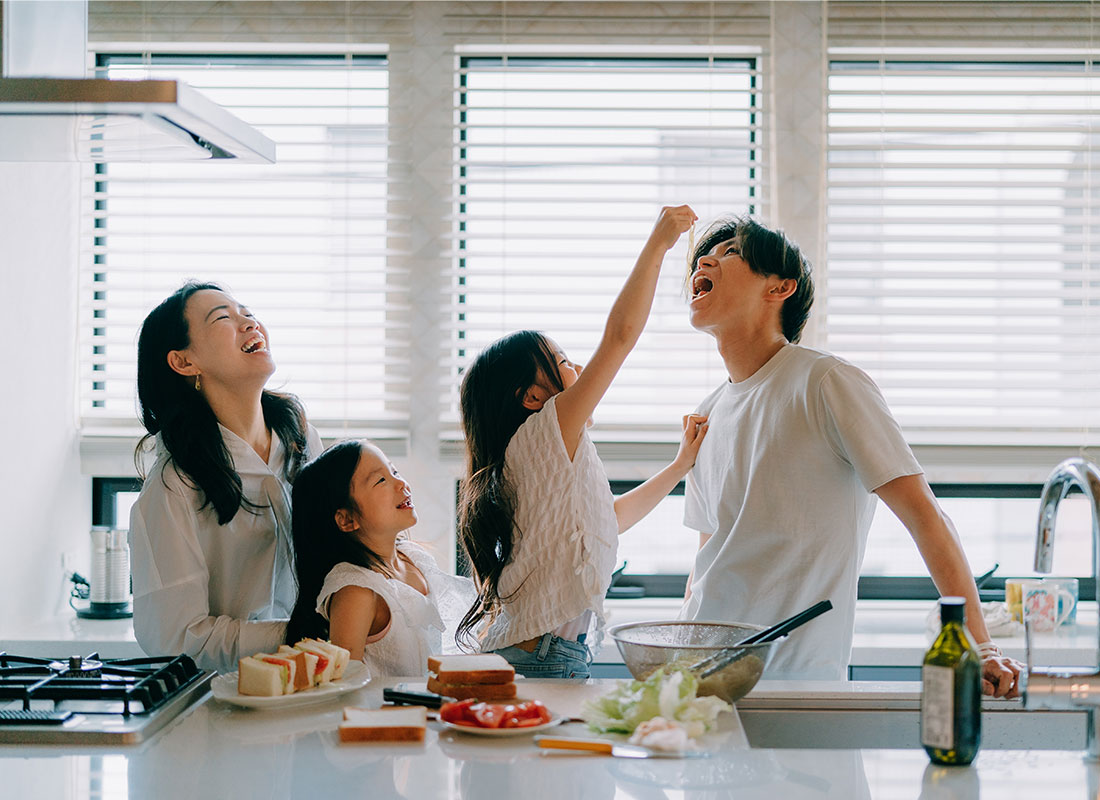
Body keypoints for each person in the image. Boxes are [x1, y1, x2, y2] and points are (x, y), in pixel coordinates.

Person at [680, 214, 1022, 696]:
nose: (707, 259)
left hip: (794, 683)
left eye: (731, 252)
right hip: (699, 677)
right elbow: (707, 561)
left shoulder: (826, 383)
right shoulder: (708, 412)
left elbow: (926, 516)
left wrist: (980, 645)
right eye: (703, 257)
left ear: (779, 288)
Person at [456, 205, 709, 679]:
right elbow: (619, 338)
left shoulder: (547, 458)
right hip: (540, 656)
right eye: (563, 360)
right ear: (534, 397)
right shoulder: (543, 433)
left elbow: (611, 519)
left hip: (544, 653)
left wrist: (679, 467)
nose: (576, 371)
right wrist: (658, 244)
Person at [128, 282, 322, 674]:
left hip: (315, 683)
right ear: (184, 363)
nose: (249, 321)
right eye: (223, 317)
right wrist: (298, 635)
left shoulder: (301, 439)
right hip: (222, 705)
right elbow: (176, 638)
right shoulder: (173, 488)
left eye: (246, 311)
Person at [285, 439, 476, 676]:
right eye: (381, 480)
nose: (401, 483)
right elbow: (344, 685)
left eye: (394, 470)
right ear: (346, 519)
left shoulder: (412, 558)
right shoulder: (357, 590)